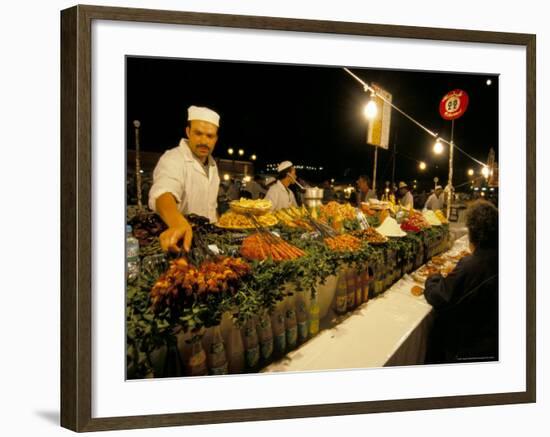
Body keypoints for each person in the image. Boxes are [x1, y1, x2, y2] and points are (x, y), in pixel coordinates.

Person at [424, 200, 498, 364]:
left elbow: (438, 296)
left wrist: (433, 277)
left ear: (473, 233)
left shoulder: (472, 265)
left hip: (469, 348)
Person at [148, 105, 221, 253]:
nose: (204, 141)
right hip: (181, 243)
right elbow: (163, 193)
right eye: (198, 133)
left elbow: (211, 206)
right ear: (188, 132)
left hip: (209, 243)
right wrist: (177, 223)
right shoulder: (174, 158)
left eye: (210, 136)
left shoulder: (213, 165)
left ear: (216, 139)